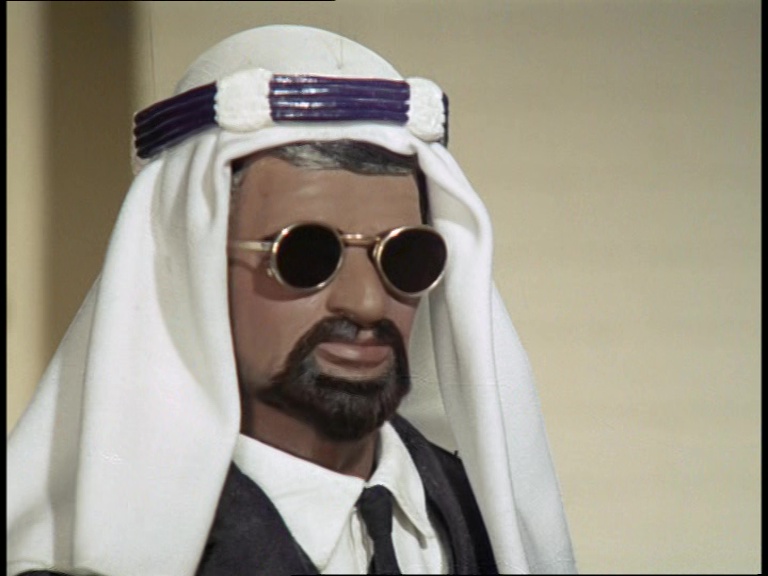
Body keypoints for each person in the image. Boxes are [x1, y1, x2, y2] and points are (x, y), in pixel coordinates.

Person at [7, 25, 577, 575]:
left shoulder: (482, 528)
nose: (367, 304)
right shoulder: (104, 556)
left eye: (403, 256)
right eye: (307, 255)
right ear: (195, 264)